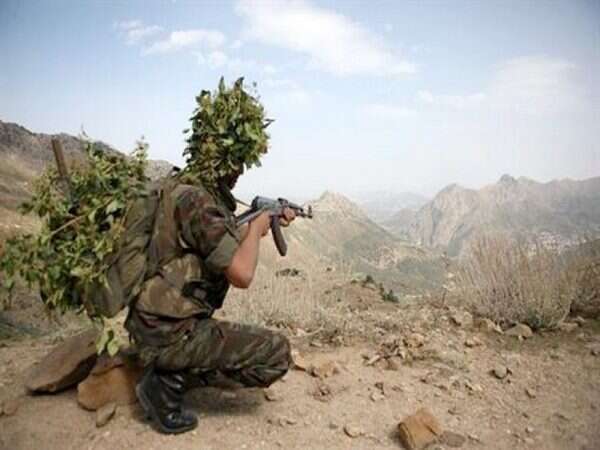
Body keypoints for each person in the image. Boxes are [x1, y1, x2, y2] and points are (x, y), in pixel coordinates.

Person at [124, 79, 296, 434]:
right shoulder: (198, 202)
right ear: (222, 158)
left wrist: (261, 224)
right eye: (237, 163)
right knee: (276, 354)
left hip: (151, 324)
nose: (239, 172)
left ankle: (167, 371)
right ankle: (165, 384)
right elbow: (242, 274)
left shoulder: (181, 188)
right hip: (169, 333)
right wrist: (257, 228)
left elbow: (213, 240)